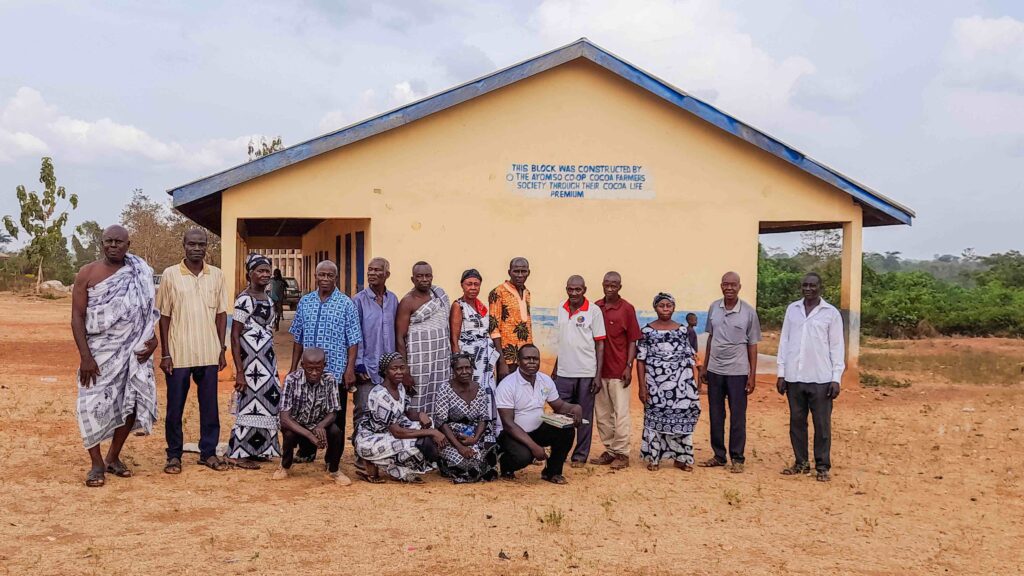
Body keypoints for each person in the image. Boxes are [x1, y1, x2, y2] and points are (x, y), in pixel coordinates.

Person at [71, 225, 159, 487]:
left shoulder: (139, 272)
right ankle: (96, 463)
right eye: (108, 241)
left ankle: (113, 457)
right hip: (98, 354)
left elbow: (147, 311)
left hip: (135, 352)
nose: (113, 246)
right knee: (90, 404)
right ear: (101, 243)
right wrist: (86, 357)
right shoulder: (87, 274)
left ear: (127, 245)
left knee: (130, 402)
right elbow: (77, 317)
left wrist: (152, 340)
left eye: (118, 242)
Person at [157, 228, 229, 474]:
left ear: (207, 246)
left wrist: (221, 348)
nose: (197, 248)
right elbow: (164, 317)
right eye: (192, 244)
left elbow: (221, 315)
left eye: (201, 244)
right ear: (183, 245)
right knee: (175, 406)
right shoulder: (170, 275)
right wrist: (165, 353)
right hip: (178, 353)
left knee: (209, 406)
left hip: (209, 351)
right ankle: (174, 455)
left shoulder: (217, 275)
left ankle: (208, 453)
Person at [288, 260, 361, 475]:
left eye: (330, 276)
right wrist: (293, 368)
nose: (326, 279)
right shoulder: (305, 302)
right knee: (304, 411)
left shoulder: (346, 304)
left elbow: (354, 340)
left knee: (335, 416)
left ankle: (332, 458)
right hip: (307, 373)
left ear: (336, 278)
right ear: (315, 276)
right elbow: (298, 338)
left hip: (335, 372)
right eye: (322, 275)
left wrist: (349, 370)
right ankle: (307, 449)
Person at [776, 272, 845, 482]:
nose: (808, 289)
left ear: (820, 287)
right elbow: (784, 341)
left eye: (812, 285)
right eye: (805, 285)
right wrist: (781, 373)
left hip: (821, 379)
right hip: (794, 377)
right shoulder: (792, 310)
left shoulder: (830, 313)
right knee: (797, 422)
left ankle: (822, 466)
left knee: (822, 425)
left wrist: (836, 378)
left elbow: (836, 346)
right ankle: (801, 463)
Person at [699, 271, 762, 474]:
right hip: (715, 370)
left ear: (739, 287)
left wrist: (752, 375)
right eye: (725, 284)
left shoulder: (748, 312)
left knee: (737, 416)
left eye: (733, 285)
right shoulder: (713, 308)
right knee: (716, 415)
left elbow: (752, 345)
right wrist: (705, 366)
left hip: (738, 371)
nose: (729, 288)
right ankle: (719, 455)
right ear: (721, 286)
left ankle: (737, 457)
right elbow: (710, 338)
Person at [495, 345, 583, 484]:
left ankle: (552, 472)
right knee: (524, 457)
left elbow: (559, 406)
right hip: (510, 434)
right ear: (518, 361)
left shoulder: (545, 380)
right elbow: (508, 424)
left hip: (537, 429)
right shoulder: (507, 385)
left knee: (566, 431)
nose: (532, 362)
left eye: (535, 359)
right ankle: (505, 465)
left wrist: (575, 408)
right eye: (527, 358)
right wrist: (534, 447)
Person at [353, 353, 446, 483]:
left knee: (428, 426)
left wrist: (421, 415)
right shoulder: (380, 395)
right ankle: (372, 460)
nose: (399, 372)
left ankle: (394, 468)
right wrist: (431, 432)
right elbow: (397, 432)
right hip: (371, 439)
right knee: (417, 443)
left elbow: (407, 413)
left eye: (402, 368)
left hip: (389, 433)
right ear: (385, 371)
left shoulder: (400, 387)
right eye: (394, 368)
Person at [227, 254, 281, 469]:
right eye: (260, 270)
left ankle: (259, 449)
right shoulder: (244, 300)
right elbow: (235, 335)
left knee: (268, 403)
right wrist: (240, 371)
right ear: (250, 274)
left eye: (267, 271)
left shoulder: (268, 299)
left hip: (267, 364)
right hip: (250, 365)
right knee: (249, 406)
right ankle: (239, 454)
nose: (265, 274)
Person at [637, 293, 700, 471]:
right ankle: (654, 458)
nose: (665, 309)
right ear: (655, 307)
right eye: (661, 305)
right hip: (656, 386)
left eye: (669, 305)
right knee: (654, 421)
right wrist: (642, 387)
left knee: (681, 420)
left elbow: (689, 357)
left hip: (680, 385)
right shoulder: (646, 331)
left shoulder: (682, 331)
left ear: (674, 307)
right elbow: (640, 360)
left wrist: (692, 384)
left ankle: (681, 458)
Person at [273, 347, 350, 485]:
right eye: (310, 369)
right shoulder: (291, 379)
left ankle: (334, 470)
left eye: (318, 369)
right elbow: (284, 418)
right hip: (297, 424)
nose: (314, 373)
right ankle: (285, 466)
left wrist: (321, 426)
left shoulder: (330, 379)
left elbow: (333, 412)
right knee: (289, 434)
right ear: (302, 366)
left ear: (324, 366)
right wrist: (310, 435)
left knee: (336, 432)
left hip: (318, 423)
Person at [551, 275, 605, 468]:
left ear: (585, 289)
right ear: (566, 289)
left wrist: (597, 375)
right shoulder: (561, 308)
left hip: (586, 373)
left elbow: (600, 344)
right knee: (561, 415)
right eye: (570, 289)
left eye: (578, 290)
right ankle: (560, 452)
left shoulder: (594, 311)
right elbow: (563, 342)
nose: (574, 293)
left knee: (584, 417)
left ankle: (580, 455)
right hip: (564, 373)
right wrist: (556, 368)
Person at [592, 271, 641, 469]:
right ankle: (611, 449)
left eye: (614, 285)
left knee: (621, 414)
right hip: (598, 371)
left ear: (620, 286)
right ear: (602, 284)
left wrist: (629, 366)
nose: (610, 288)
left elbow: (633, 340)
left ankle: (622, 453)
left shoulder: (627, 309)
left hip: (619, 371)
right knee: (603, 415)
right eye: (607, 284)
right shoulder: (596, 307)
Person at [352, 257, 399, 461]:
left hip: (388, 369)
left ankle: (382, 452)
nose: (372, 273)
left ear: (387, 274)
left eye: (377, 270)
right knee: (363, 410)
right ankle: (361, 453)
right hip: (367, 366)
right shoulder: (359, 300)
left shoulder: (393, 299)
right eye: (369, 270)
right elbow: (355, 334)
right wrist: (358, 363)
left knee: (387, 410)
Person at [434, 352, 498, 483]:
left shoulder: (478, 388)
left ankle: (472, 470)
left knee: (492, 448)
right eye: (459, 368)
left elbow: (483, 417)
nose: (464, 372)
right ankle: (462, 468)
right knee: (466, 460)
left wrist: (474, 439)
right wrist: (460, 447)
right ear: (453, 370)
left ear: (472, 368)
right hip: (453, 438)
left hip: (474, 435)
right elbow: (441, 422)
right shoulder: (445, 389)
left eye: (468, 367)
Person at [396, 261, 451, 415]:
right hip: (418, 362)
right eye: (419, 276)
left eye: (428, 276)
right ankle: (416, 434)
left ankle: (437, 431)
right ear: (413, 279)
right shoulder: (408, 301)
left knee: (440, 393)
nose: (424, 279)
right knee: (416, 397)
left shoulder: (439, 295)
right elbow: (400, 337)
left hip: (440, 358)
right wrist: (405, 370)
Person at [450, 269, 499, 395]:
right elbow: (454, 338)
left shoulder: (481, 307)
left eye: (476, 284)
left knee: (485, 387)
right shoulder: (458, 305)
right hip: (468, 358)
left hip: (484, 357)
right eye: (469, 284)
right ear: (462, 285)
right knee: (469, 388)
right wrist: (457, 360)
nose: (473, 287)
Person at [488, 257, 533, 376]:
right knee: (507, 391)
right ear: (509, 272)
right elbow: (493, 328)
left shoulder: (527, 292)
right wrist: (501, 360)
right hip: (507, 357)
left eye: (523, 271)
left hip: (526, 355)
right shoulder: (498, 292)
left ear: (529, 272)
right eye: (516, 271)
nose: (520, 275)